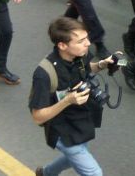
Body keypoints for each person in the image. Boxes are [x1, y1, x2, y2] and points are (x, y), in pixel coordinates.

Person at [29, 17, 120, 176]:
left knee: (76, 155)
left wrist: (101, 64)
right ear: (62, 45)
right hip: (62, 129)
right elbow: (37, 117)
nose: (88, 43)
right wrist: (68, 100)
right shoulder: (44, 74)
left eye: (87, 38)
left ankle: (45, 174)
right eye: (81, 41)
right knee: (94, 173)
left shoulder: (80, 55)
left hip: (80, 120)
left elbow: (85, 69)